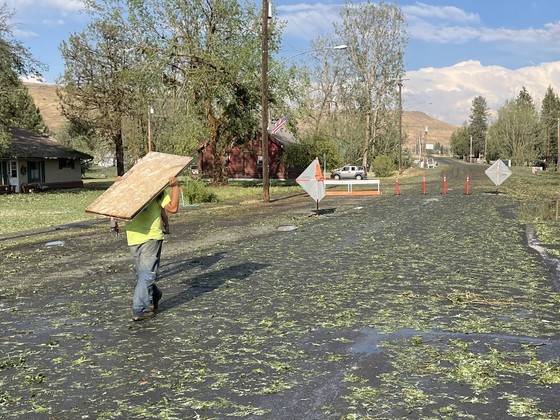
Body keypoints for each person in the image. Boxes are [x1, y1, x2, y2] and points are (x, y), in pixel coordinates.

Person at [125, 176, 180, 321]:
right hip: (149, 237)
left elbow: (114, 208)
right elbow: (173, 208)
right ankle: (140, 309)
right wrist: (175, 187)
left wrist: (165, 221)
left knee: (143, 274)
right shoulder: (157, 191)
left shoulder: (128, 190)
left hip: (134, 238)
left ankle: (154, 295)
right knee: (146, 275)